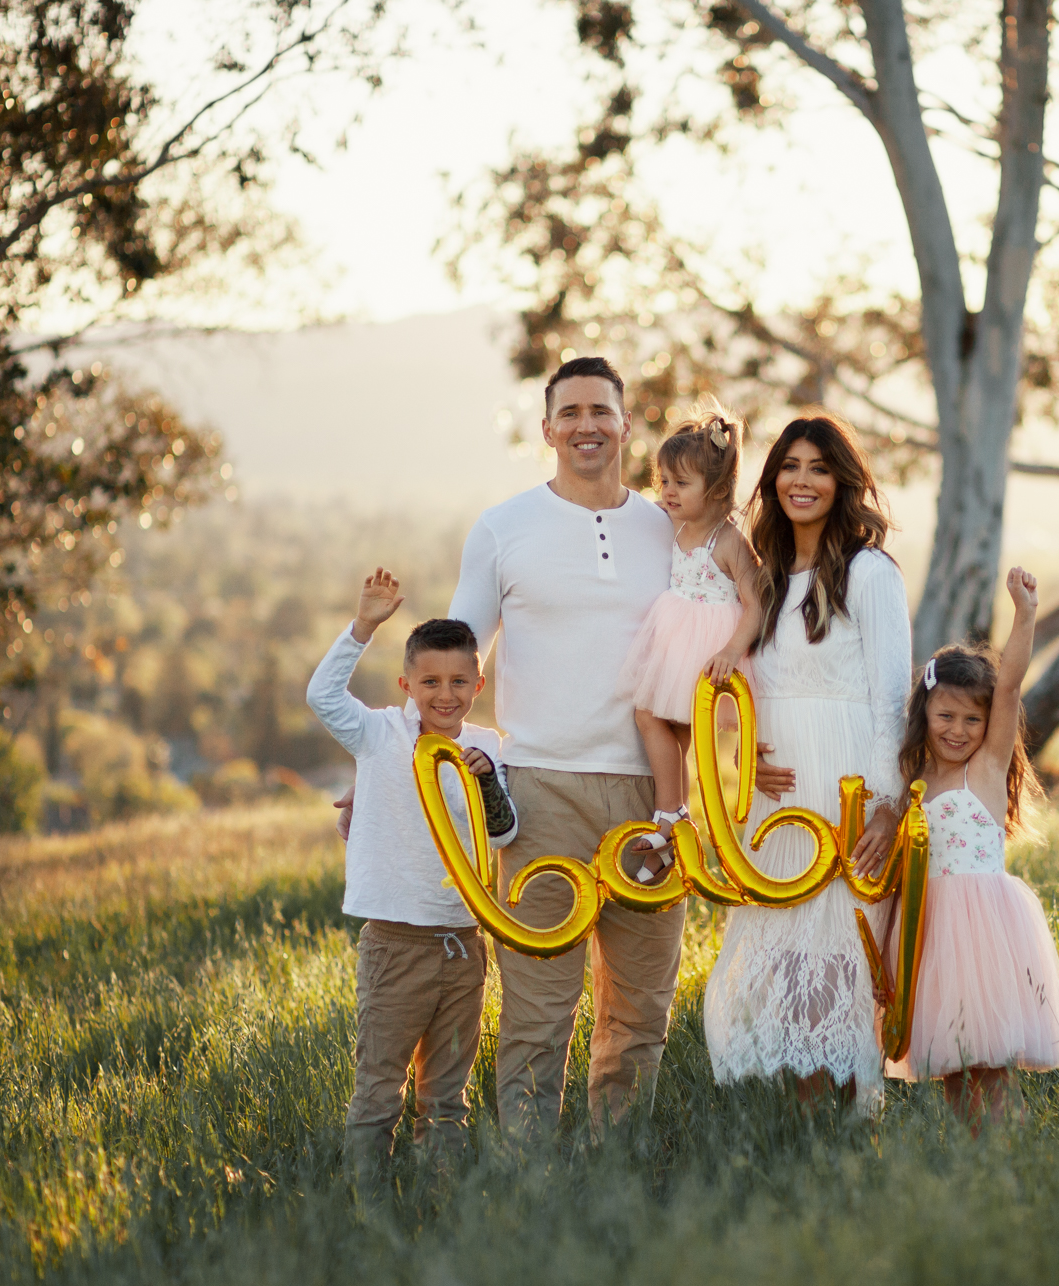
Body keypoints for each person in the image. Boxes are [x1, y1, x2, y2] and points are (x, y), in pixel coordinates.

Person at [447, 355, 683, 1141]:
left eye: (601, 412)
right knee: (539, 1004)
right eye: (570, 413)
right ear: (547, 429)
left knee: (641, 1006)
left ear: (625, 422)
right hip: (541, 791)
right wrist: (388, 765)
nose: (587, 426)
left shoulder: (667, 529)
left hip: (653, 799)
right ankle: (529, 1179)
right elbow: (455, 665)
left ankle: (617, 1169)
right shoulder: (503, 527)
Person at [702, 411, 912, 1111]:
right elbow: (756, 687)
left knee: (841, 950)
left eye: (818, 468)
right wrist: (752, 756)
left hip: (845, 784)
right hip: (781, 800)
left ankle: (852, 1124)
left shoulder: (869, 572)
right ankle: (804, 1121)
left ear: (842, 482)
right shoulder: (765, 579)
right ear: (772, 479)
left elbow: (890, 698)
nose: (802, 480)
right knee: (791, 953)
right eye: (790, 466)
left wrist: (886, 802)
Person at [306, 568, 518, 1179]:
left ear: (479, 683)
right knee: (379, 1089)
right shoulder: (381, 735)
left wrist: (485, 783)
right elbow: (322, 696)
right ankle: (369, 1207)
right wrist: (364, 625)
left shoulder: (487, 746)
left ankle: (440, 1205)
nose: (444, 694)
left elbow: (503, 834)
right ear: (407, 684)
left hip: (463, 944)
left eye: (458, 681)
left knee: (446, 1098)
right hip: (397, 943)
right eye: (430, 681)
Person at [885, 567, 1059, 1125]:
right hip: (930, 931)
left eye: (974, 719)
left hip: (987, 931)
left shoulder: (986, 769)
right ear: (925, 714)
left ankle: (1005, 1147)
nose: (959, 730)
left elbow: (1010, 684)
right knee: (949, 1060)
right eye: (946, 715)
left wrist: (1025, 613)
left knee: (990, 1062)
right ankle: (972, 1161)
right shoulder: (914, 779)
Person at [614, 405, 764, 882]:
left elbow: (756, 602)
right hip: (672, 639)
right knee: (658, 721)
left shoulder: (729, 540)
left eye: (681, 483)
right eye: (663, 481)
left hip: (709, 647)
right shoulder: (669, 521)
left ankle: (672, 815)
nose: (667, 492)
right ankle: (674, 820)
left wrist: (730, 651)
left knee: (666, 724)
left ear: (718, 490)